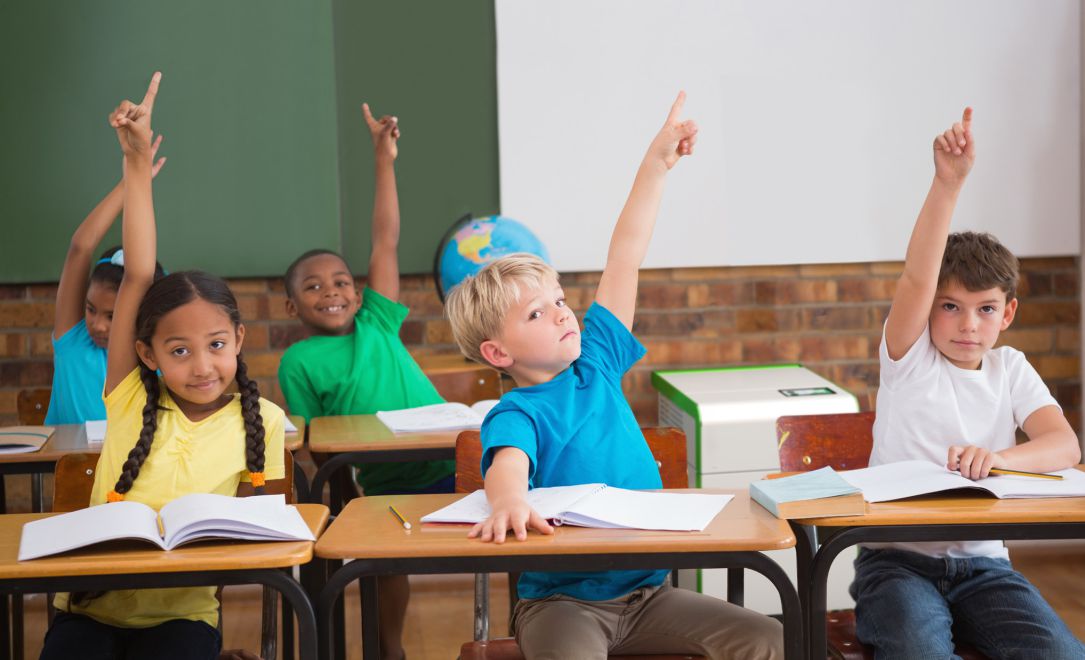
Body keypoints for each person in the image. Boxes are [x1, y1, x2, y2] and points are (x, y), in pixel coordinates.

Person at [445, 93, 784, 659]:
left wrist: (655, 165)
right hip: (560, 605)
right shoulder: (516, 413)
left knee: (772, 638)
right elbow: (508, 467)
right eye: (536, 312)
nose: (561, 312)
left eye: (558, 299)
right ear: (497, 351)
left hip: (650, 595)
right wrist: (507, 502)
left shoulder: (595, 361)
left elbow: (625, 254)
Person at [39, 72, 285, 660]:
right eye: (179, 351)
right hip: (90, 609)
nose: (202, 365)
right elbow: (140, 274)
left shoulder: (265, 421)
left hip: (184, 615)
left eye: (217, 345)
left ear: (240, 340)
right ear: (147, 355)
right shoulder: (128, 396)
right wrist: (135, 160)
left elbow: (265, 535)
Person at [853, 107, 1084, 658]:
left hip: (985, 566)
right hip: (897, 565)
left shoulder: (1011, 368)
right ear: (930, 310)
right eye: (950, 307)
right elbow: (916, 274)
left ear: (1007, 315)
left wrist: (998, 459)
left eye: (984, 310)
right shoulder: (908, 357)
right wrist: (947, 183)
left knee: (1062, 654)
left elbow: (1065, 446)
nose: (967, 325)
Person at [277, 103, 450, 660]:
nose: (331, 291)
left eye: (341, 281)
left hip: (454, 462)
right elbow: (312, 442)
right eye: (312, 287)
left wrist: (383, 159)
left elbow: (385, 240)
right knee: (382, 562)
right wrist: (345, 491)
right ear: (291, 304)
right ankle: (389, 650)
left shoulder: (377, 318)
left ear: (358, 292)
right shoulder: (299, 361)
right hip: (385, 481)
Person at [45, 138, 166, 425]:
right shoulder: (73, 340)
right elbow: (80, 248)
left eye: (112, 316)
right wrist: (130, 183)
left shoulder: (154, 359)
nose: (97, 325)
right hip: (69, 470)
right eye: (90, 309)